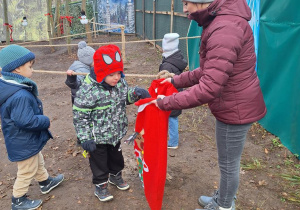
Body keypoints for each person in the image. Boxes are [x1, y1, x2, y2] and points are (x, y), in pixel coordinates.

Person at [152, 0, 267, 210]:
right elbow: (208, 70)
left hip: (236, 108)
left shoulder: (225, 29)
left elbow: (208, 87)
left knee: (228, 164)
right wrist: (175, 80)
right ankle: (223, 198)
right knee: (227, 163)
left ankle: (224, 206)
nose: (184, 8)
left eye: (186, 3)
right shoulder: (220, 22)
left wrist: (165, 103)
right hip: (233, 103)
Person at [72, 44, 151, 202]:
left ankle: (116, 176)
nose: (117, 77)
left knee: (116, 158)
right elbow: (80, 116)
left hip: (115, 133)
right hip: (97, 138)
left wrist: (134, 94)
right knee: (99, 163)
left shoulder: (119, 83)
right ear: (101, 73)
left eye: (119, 73)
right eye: (112, 74)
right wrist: (85, 137)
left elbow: (124, 98)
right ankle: (101, 185)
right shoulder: (88, 90)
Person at [0, 45, 64, 210]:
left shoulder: (12, 86)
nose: (33, 70)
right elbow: (25, 121)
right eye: (30, 66)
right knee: (27, 170)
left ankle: (45, 182)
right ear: (17, 69)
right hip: (22, 140)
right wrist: (44, 120)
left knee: (37, 160)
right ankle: (18, 200)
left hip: (24, 139)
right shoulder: (19, 95)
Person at [158, 33, 187, 149]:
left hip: (170, 95)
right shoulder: (176, 58)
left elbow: (162, 84)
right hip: (176, 92)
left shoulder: (167, 66)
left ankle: (173, 142)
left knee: (171, 118)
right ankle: (172, 138)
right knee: (173, 117)